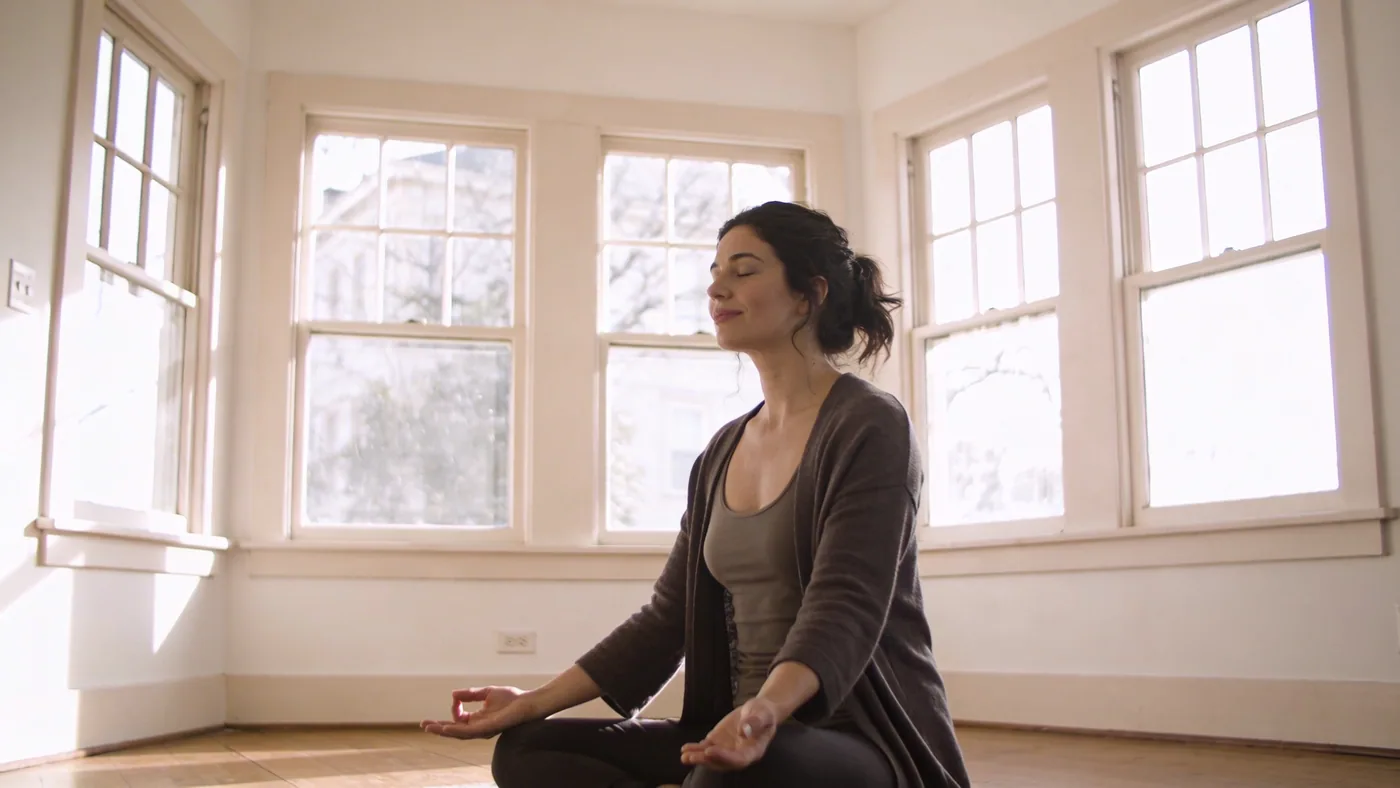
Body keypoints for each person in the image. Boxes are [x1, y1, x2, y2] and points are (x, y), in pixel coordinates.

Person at [422, 201, 971, 788]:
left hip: (860, 738)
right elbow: (667, 619)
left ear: (809, 295)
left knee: (723, 777)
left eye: (744, 270)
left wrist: (765, 712)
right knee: (528, 749)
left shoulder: (870, 425)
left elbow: (846, 606)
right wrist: (534, 701)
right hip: (732, 728)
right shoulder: (722, 450)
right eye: (714, 272)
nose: (716, 288)